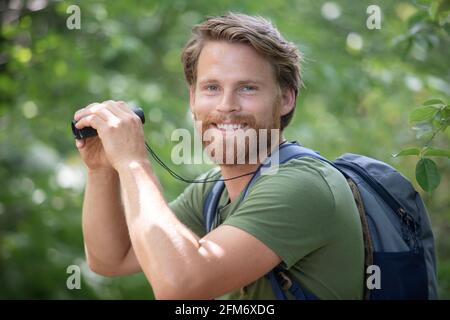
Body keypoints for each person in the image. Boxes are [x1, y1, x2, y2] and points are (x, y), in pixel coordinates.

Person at [74, 12, 364, 300]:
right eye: (212, 88)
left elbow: (180, 287)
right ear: (192, 98)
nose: (226, 106)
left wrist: (134, 163)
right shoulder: (215, 191)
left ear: (286, 98)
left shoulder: (302, 185)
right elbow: (111, 259)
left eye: (247, 88)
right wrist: (101, 170)